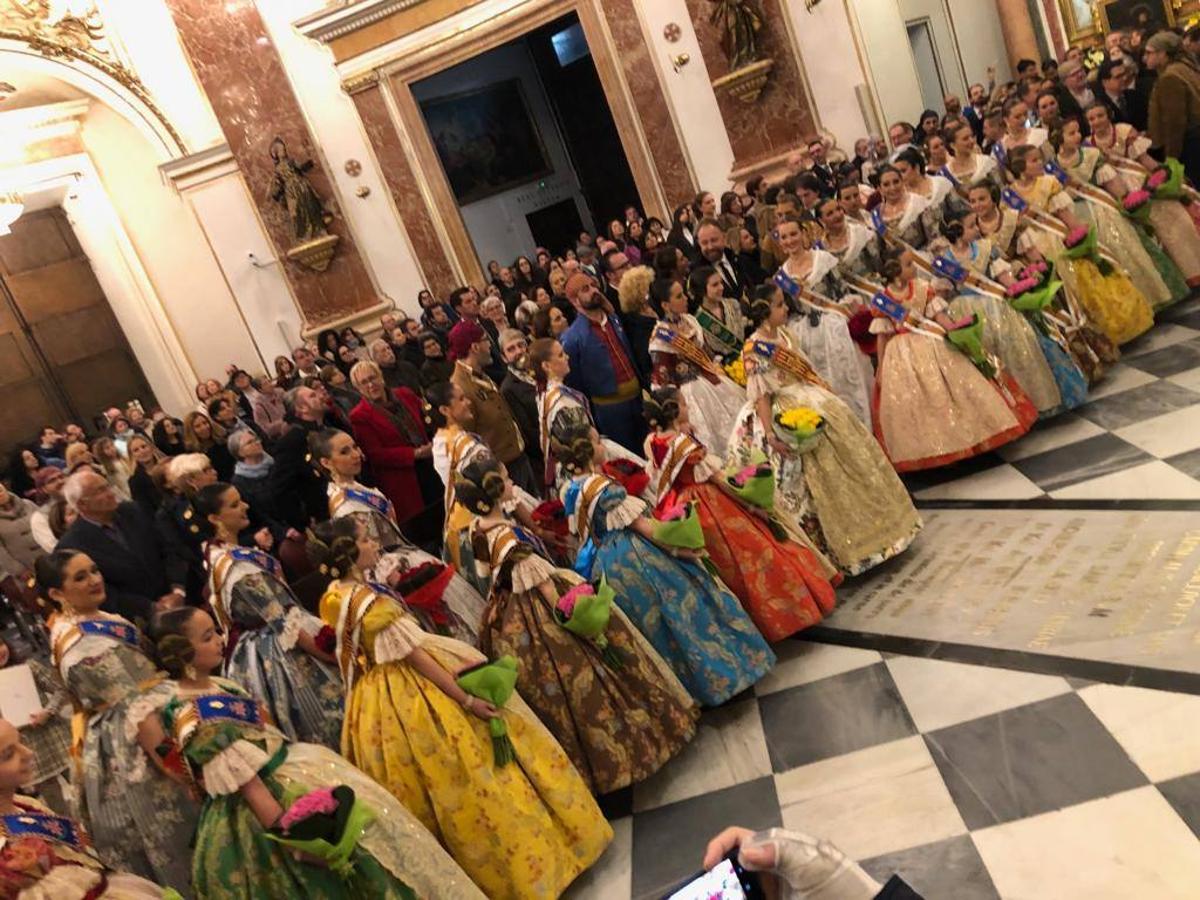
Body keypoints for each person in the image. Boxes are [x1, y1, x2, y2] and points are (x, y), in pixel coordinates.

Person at [311, 517, 612, 899]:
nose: (374, 543)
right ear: (349, 553)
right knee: (482, 774)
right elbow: (416, 658)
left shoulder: (335, 595)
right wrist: (466, 698)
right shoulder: (370, 605)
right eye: (366, 540)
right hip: (419, 691)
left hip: (375, 698)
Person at [139, 607, 478, 899]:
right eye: (207, 636)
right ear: (182, 653)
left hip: (293, 768)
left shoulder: (222, 685)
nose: (219, 640)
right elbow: (251, 786)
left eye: (215, 630)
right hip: (269, 810)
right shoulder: (194, 719)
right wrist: (300, 841)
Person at [458, 454, 698, 793]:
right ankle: (622, 757)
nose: (513, 484)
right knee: (588, 684)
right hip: (541, 613)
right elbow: (547, 593)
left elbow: (486, 575)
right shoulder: (510, 540)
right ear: (497, 490)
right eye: (507, 480)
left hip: (507, 612)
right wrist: (579, 620)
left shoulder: (477, 529)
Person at [554, 416, 773, 705]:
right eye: (596, 441)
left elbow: (580, 535)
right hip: (637, 556)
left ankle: (682, 691)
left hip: (607, 563)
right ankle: (720, 679)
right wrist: (680, 549)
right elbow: (643, 527)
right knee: (682, 609)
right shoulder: (604, 489)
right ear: (587, 450)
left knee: (654, 628)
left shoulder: (569, 489)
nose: (602, 445)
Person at [729, 285, 921, 575]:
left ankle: (879, 535)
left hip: (810, 399)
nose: (786, 309)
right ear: (765, 313)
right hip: (785, 414)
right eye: (779, 305)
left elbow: (803, 369)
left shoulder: (785, 334)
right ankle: (828, 553)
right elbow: (761, 396)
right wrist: (770, 434)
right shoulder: (754, 349)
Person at [36, 550, 198, 889]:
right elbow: (136, 713)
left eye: (94, 570)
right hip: (136, 745)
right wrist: (184, 774)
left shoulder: (92, 620)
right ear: (56, 594)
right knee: (178, 838)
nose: (94, 579)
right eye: (79, 577)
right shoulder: (83, 644)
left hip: (147, 717)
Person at [643, 387, 838, 642]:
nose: (688, 407)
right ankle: (787, 614)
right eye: (684, 403)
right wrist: (749, 502)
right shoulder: (685, 446)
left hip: (682, 508)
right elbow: (719, 480)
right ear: (676, 409)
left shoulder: (652, 441)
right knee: (753, 556)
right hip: (710, 502)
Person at [195, 481, 342, 748]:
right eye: (235, 504)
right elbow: (284, 623)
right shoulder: (238, 568)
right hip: (276, 650)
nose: (245, 506)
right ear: (214, 518)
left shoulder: (218, 553)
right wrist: (331, 656)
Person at [872, 251, 1038, 471]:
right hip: (901, 354)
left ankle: (970, 438)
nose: (915, 267)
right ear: (895, 273)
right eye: (909, 264)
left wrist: (954, 330)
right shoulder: (883, 301)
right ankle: (933, 449)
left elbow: (939, 317)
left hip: (932, 343)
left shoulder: (923, 288)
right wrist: (882, 366)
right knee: (916, 402)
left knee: (956, 389)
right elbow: (883, 335)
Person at [938, 211, 1073, 417]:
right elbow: (942, 292)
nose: (978, 228)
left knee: (1017, 348)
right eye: (972, 226)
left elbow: (1004, 277)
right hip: (965, 311)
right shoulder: (944, 261)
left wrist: (1024, 289)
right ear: (957, 231)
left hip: (996, 305)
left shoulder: (986, 248)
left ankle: (1034, 403)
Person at [1085, 101, 1200, 289]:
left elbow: (1144, 158)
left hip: (1141, 181)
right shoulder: (1088, 145)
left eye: (1100, 116)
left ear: (1109, 115)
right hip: (1119, 190)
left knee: (1174, 223)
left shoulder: (1123, 131)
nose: (1096, 121)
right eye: (1091, 118)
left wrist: (1162, 175)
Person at [56, 470, 182, 625]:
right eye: (100, 491)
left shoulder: (133, 511)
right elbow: (101, 592)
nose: (110, 493)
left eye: (108, 486)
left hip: (178, 598)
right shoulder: (73, 544)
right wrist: (150, 607)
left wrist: (177, 589)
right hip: (135, 620)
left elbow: (168, 548)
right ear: (82, 504)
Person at [649, 273, 746, 460]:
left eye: (684, 294)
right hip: (687, 395)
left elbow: (706, 354)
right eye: (678, 296)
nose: (686, 298)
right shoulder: (660, 337)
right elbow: (663, 382)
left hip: (709, 381)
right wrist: (678, 419)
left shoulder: (690, 321)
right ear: (665, 305)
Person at [447, 321, 540, 498]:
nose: (489, 345)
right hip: (502, 468)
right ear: (475, 347)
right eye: (485, 340)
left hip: (518, 457)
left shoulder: (479, 373)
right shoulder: (460, 386)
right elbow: (469, 437)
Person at [348, 359, 438, 536]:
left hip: (431, 463)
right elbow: (376, 454)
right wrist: (415, 453)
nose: (371, 385)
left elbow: (427, 418)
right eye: (364, 383)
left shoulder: (404, 394)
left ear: (381, 377)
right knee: (427, 530)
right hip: (405, 479)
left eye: (372, 378)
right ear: (358, 389)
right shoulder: (360, 416)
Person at [559, 273, 646, 454]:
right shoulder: (572, 337)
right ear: (575, 301)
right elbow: (575, 382)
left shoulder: (613, 318)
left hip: (638, 400)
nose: (594, 290)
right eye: (586, 289)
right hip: (610, 411)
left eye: (593, 285)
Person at [269, 385, 330, 530]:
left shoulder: (324, 427)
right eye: (312, 396)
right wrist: (302, 523)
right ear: (301, 408)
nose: (321, 396)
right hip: (323, 514)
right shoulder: (292, 440)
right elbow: (280, 489)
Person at [1144, 30, 1200, 187]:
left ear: (1163, 54)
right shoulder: (1185, 67)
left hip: (1189, 146)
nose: (1145, 58)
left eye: (1149, 53)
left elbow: (1174, 122)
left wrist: (1171, 158)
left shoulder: (1170, 77)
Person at [496, 328, 545, 487]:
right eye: (511, 349)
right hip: (544, 451)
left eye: (521, 345)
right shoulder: (508, 388)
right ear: (504, 357)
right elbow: (527, 430)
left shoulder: (541, 370)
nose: (518, 351)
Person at [0, 481, 40, 587]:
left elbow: (45, 525)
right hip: (28, 571)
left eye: (0, 490)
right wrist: (19, 570)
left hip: (50, 556)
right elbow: (1, 553)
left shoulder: (27, 504)